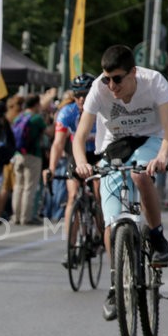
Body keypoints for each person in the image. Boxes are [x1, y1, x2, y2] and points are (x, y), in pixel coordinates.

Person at [73, 45, 168, 322]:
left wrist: (163, 156)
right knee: (111, 222)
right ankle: (116, 283)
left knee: (139, 175)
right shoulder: (99, 88)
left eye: (117, 78)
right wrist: (83, 162)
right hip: (114, 147)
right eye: (107, 79)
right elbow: (80, 135)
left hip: (149, 140)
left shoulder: (154, 82)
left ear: (133, 72)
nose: (111, 85)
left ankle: (156, 236)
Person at [43, 74, 102, 265]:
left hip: (99, 155)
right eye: (78, 95)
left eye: (86, 94)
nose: (82, 99)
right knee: (72, 196)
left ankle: (99, 233)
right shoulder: (67, 113)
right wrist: (51, 169)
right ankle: (71, 246)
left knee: (100, 192)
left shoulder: (102, 111)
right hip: (77, 156)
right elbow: (58, 144)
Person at [11, 93, 51, 225]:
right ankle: (25, 217)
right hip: (33, 155)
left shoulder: (19, 117)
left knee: (18, 186)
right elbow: (48, 133)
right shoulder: (36, 118)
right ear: (35, 104)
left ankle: (16, 216)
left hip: (18, 155)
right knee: (29, 187)